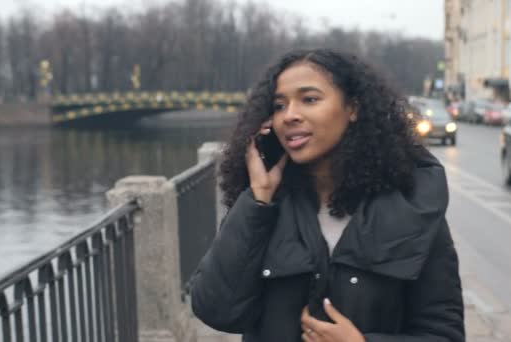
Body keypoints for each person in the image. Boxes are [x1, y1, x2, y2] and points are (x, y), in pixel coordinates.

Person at [189, 49, 464, 342]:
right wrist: (258, 198)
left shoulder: (412, 206)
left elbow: (444, 334)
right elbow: (216, 310)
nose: (290, 115)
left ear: (353, 108)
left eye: (309, 99)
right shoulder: (265, 206)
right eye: (279, 105)